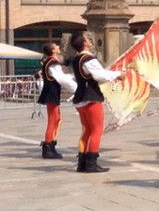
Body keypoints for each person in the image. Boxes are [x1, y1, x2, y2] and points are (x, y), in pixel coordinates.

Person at [70, 31, 124, 173]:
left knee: (87, 130)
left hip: (80, 97)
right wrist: (118, 74)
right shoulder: (88, 59)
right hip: (91, 97)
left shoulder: (76, 59)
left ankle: (82, 163)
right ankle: (91, 163)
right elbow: (100, 75)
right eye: (87, 38)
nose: (90, 40)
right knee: (96, 130)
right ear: (84, 43)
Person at [37, 42, 77, 159]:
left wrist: (73, 77)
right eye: (56, 46)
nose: (59, 47)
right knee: (53, 120)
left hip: (52, 92)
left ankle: (51, 144)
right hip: (51, 93)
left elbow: (62, 77)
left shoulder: (50, 62)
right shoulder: (53, 63)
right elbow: (61, 78)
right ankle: (48, 147)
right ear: (53, 50)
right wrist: (76, 88)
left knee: (56, 119)